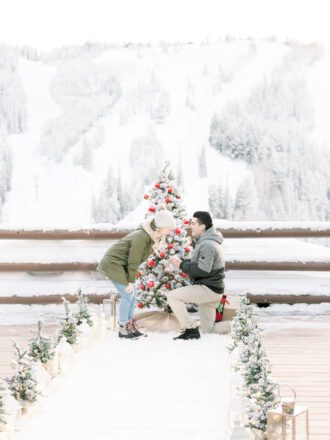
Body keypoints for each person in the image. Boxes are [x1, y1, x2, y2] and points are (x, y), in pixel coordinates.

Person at [97, 210, 176, 339]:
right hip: (113, 264)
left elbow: (137, 260)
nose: (170, 231)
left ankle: (129, 325)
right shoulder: (142, 236)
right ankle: (123, 329)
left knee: (132, 296)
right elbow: (133, 260)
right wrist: (131, 281)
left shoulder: (153, 237)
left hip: (121, 264)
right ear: (160, 227)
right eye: (169, 228)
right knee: (128, 295)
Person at [168, 211, 225, 340]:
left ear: (202, 226)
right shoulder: (205, 242)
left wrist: (181, 264)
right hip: (214, 290)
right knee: (208, 330)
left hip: (208, 289)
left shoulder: (207, 244)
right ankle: (239, 325)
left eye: (193, 223)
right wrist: (182, 263)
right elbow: (201, 265)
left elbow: (203, 270)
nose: (190, 226)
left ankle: (190, 329)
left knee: (173, 297)